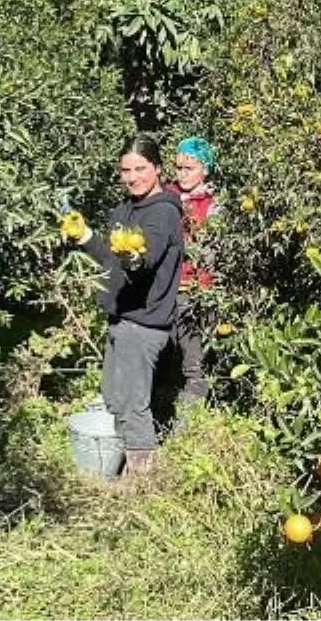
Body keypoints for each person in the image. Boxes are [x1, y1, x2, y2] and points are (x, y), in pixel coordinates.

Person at [61, 134, 184, 475]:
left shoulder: (162, 213)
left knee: (132, 407)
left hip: (143, 325)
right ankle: (122, 473)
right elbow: (109, 263)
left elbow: (146, 260)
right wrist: (84, 236)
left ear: (157, 169)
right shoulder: (124, 209)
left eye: (140, 169)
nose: (132, 177)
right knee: (115, 399)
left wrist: (135, 257)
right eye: (125, 170)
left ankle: (142, 484)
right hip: (121, 318)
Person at [165, 137, 219, 408]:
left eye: (189, 168)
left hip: (195, 289)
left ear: (205, 169)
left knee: (193, 358)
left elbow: (214, 250)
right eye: (178, 168)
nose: (182, 174)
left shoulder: (213, 205)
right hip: (164, 287)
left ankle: (188, 419)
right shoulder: (165, 196)